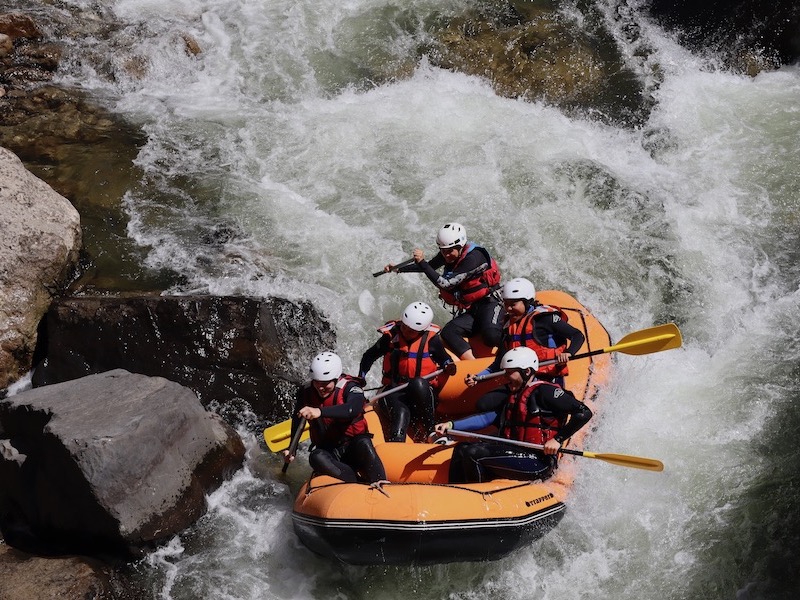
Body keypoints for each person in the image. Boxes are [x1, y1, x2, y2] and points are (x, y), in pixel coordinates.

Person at [432, 346, 592, 484]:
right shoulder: (513, 393)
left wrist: (557, 440)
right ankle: (457, 494)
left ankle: (476, 498)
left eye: (510, 373)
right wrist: (451, 426)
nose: (506, 378)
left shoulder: (546, 392)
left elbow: (584, 412)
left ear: (527, 371)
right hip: (513, 453)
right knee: (462, 448)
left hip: (538, 461)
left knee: (473, 453)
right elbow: (486, 419)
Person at [384, 222, 503, 360]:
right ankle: (472, 364)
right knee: (448, 332)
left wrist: (422, 262)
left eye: (449, 251)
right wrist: (398, 269)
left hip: (492, 303)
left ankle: (510, 349)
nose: (446, 255)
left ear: (460, 246)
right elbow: (429, 266)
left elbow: (446, 284)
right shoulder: (450, 251)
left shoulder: (474, 258)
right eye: (442, 250)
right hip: (474, 308)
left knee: (491, 336)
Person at [465, 277, 585, 411]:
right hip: (519, 381)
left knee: (533, 407)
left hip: (547, 379)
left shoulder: (544, 319)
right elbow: (498, 363)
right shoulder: (508, 328)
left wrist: (568, 353)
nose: (508, 309)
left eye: (513, 304)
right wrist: (479, 377)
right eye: (506, 304)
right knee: (483, 404)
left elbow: (577, 336)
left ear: (527, 302)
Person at [359, 301, 457, 442]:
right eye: (404, 326)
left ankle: (431, 432)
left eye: (411, 330)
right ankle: (397, 443)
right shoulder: (391, 337)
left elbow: (445, 359)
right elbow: (368, 356)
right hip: (393, 392)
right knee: (401, 412)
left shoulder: (432, 340)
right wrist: (361, 378)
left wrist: (449, 366)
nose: (405, 331)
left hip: (421, 395)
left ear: (422, 330)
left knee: (417, 383)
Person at [283, 351, 387, 484]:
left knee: (364, 443)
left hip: (354, 447)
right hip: (329, 451)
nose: (320, 388)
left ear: (335, 379)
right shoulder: (306, 392)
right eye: (317, 382)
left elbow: (352, 409)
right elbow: (297, 420)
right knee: (315, 457)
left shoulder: (351, 388)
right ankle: (357, 483)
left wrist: (319, 411)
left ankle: (381, 482)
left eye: (325, 383)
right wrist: (292, 448)